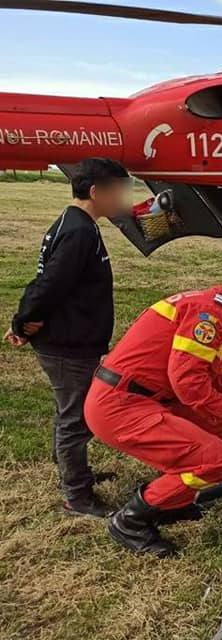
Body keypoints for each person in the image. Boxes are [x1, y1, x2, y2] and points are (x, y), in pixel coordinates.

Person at [84, 277, 222, 557]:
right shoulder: (209, 316)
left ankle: (174, 498)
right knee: (216, 460)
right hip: (121, 404)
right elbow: (188, 381)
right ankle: (131, 521)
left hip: (144, 398)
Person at [4, 158, 130, 517]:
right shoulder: (78, 231)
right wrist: (22, 321)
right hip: (68, 346)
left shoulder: (77, 225)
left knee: (69, 413)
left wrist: (25, 321)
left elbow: (52, 284)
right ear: (96, 191)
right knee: (76, 419)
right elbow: (49, 285)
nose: (122, 199)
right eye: (118, 191)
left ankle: (73, 475)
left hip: (71, 341)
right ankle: (76, 495)